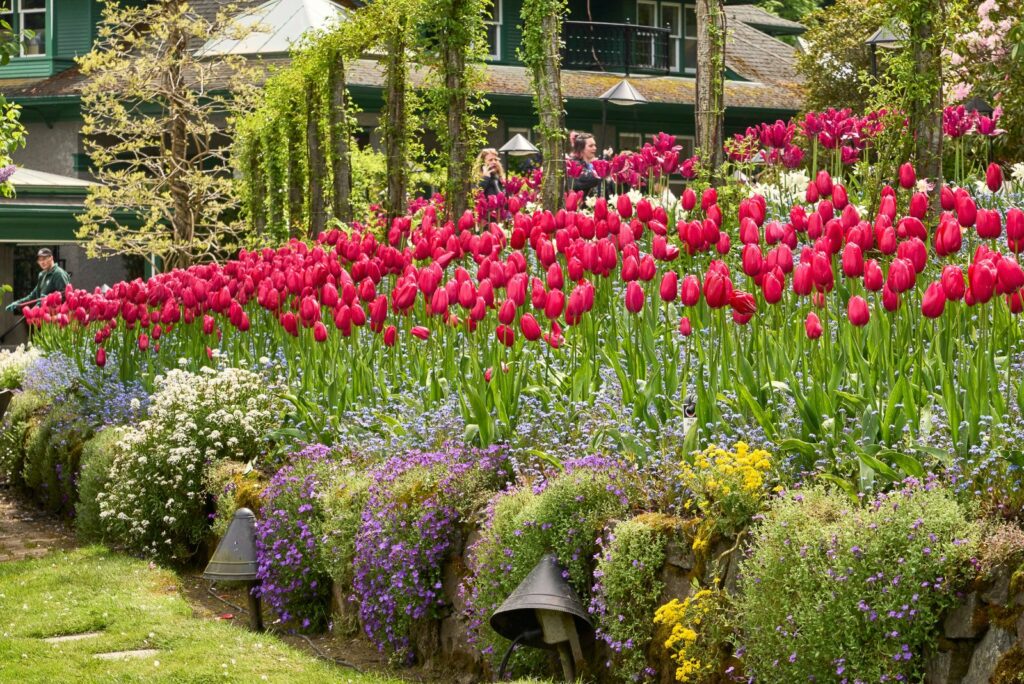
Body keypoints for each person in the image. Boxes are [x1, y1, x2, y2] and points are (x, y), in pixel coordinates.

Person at [5, 248, 71, 313]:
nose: (42, 262)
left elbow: (65, 297)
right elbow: (33, 295)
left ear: (51, 258)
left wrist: (51, 299)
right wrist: (18, 303)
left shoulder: (58, 274)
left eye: (44, 259)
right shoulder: (42, 275)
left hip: (56, 318)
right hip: (43, 317)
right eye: (39, 260)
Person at [567, 131, 604, 196]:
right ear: (581, 149)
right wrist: (603, 170)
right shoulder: (574, 164)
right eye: (591, 146)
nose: (595, 148)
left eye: (595, 145)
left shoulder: (594, 164)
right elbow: (583, 180)